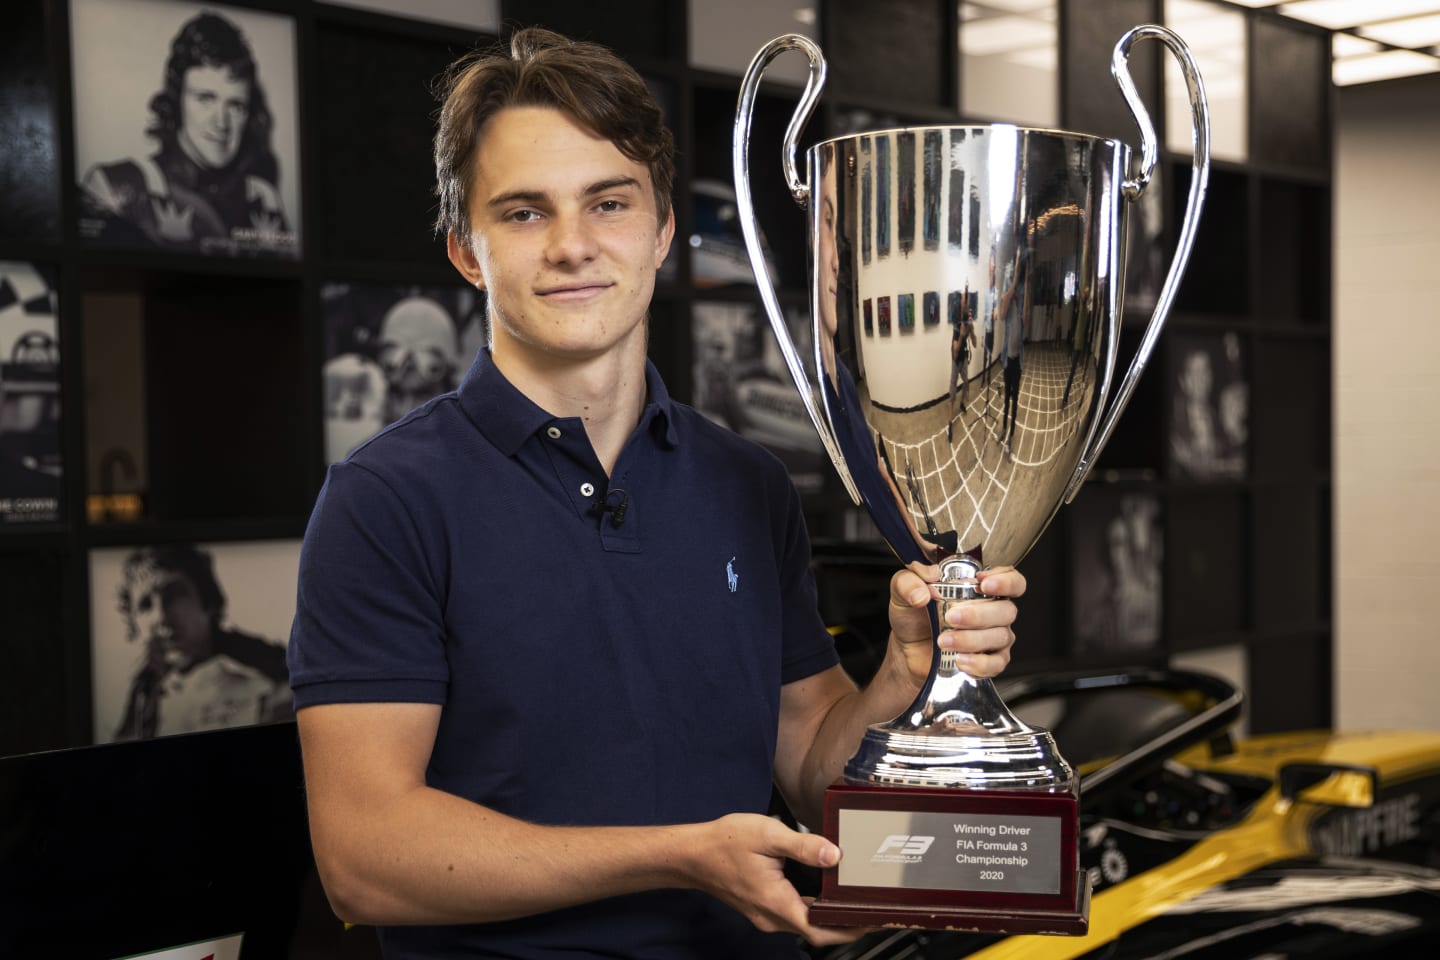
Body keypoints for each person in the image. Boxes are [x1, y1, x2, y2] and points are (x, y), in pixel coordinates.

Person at [287, 27, 1023, 958]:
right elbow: (364, 858)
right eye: (523, 212)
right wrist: (680, 856)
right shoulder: (383, 500)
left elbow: (810, 766)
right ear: (466, 251)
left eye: (609, 202)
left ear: (665, 230)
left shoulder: (747, 483)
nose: (573, 246)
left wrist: (903, 677)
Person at [78, 11, 291, 256]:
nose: (222, 122)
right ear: (177, 100)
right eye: (205, 99)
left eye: (235, 105)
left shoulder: (262, 201)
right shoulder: (122, 183)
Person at [113, 544, 292, 741]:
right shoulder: (142, 697)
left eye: (174, 595)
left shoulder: (264, 682)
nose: (160, 616)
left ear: (207, 603)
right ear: (134, 623)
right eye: (145, 605)